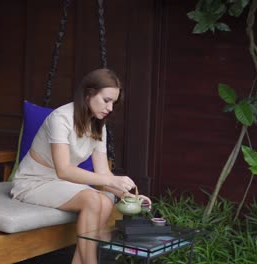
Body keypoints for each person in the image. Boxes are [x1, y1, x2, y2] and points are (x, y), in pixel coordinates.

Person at [10, 68, 151, 264]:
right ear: (88, 94)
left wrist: (128, 196)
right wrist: (112, 180)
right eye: (106, 100)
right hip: (34, 182)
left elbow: (102, 173)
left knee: (106, 201)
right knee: (93, 200)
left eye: (114, 103)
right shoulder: (60, 119)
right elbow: (64, 170)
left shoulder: (98, 125)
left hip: (60, 183)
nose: (110, 108)